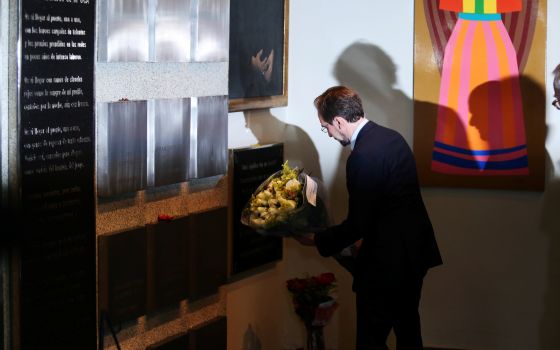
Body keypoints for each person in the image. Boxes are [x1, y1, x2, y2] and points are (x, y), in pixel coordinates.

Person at [295, 86, 443, 350]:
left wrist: (318, 239)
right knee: (408, 330)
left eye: (325, 126)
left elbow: (358, 224)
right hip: (414, 252)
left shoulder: (362, 157)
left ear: (339, 121)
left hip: (388, 263)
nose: (327, 133)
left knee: (370, 340)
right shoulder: (390, 137)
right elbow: (387, 207)